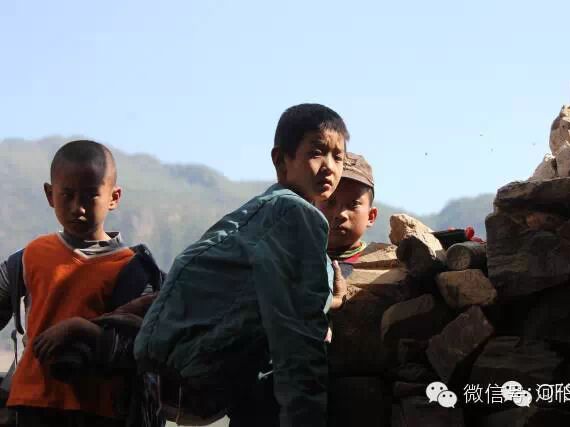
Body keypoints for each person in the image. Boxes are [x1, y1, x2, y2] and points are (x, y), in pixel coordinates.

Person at [134, 103, 350, 427]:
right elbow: (296, 334)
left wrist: (331, 300)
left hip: (170, 379)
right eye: (317, 153)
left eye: (339, 157)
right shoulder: (297, 215)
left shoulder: (259, 211)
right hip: (203, 374)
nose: (329, 167)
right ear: (281, 161)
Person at [0, 140, 148, 427]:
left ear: (114, 197)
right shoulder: (29, 257)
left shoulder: (134, 270)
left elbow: (143, 347)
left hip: (99, 411)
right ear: (49, 194)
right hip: (30, 405)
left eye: (91, 196)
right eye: (67, 195)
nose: (77, 208)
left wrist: (82, 330)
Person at [317, 152, 377, 263]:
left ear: (371, 216)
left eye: (353, 204)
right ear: (311, 207)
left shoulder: (387, 265)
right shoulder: (291, 261)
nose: (340, 214)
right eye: (329, 202)